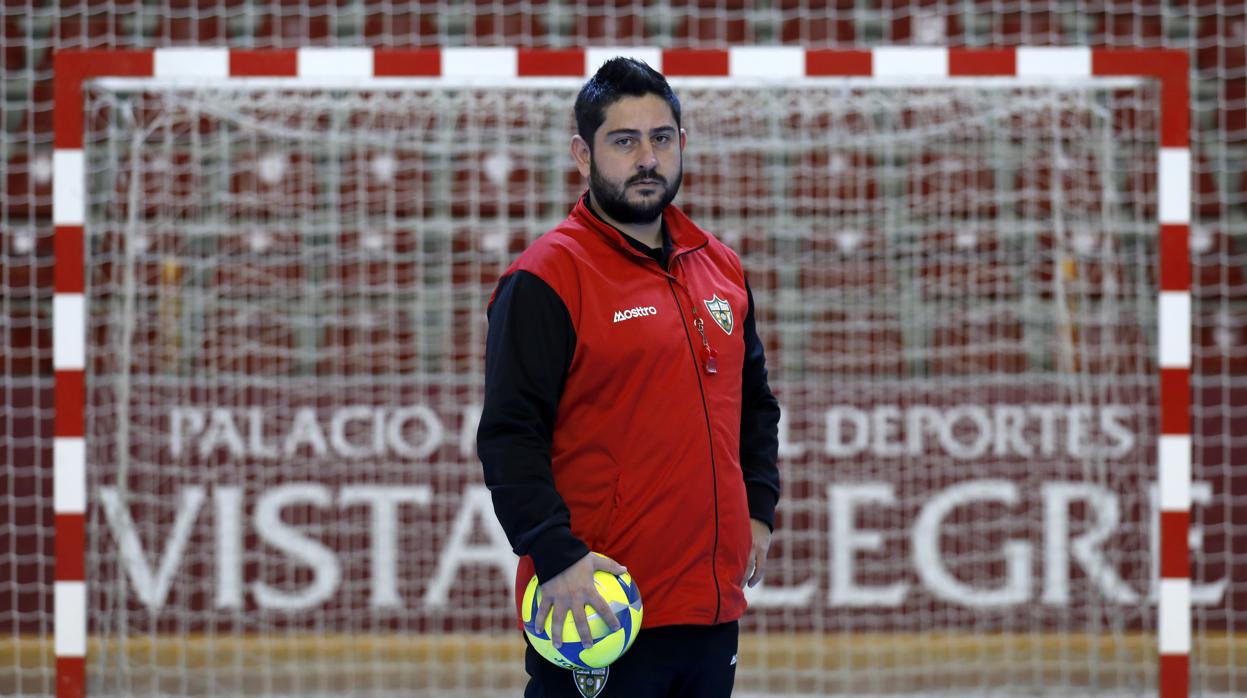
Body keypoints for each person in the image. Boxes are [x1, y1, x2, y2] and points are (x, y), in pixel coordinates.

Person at [477, 57, 781, 698]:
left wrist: (758, 506)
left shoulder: (719, 266)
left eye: (660, 138)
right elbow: (509, 436)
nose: (647, 158)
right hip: (598, 611)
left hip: (710, 611)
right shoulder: (545, 278)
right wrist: (554, 555)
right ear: (583, 157)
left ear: (681, 145)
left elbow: (754, 403)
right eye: (624, 141)